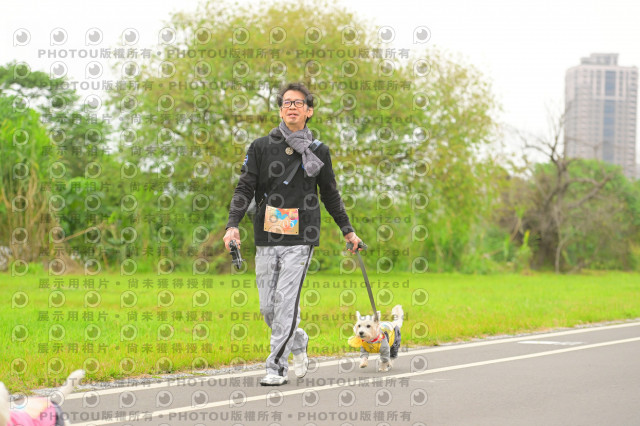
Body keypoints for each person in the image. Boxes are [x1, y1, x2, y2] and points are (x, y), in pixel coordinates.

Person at [223, 82, 363, 386]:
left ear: (309, 111)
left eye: (298, 103)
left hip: (302, 237)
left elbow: (330, 194)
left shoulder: (318, 151)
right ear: (280, 110)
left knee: (286, 302)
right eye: (286, 102)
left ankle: (275, 367)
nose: (292, 107)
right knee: (268, 308)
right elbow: (244, 188)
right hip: (267, 234)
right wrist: (232, 224)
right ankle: (298, 340)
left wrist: (348, 230)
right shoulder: (260, 147)